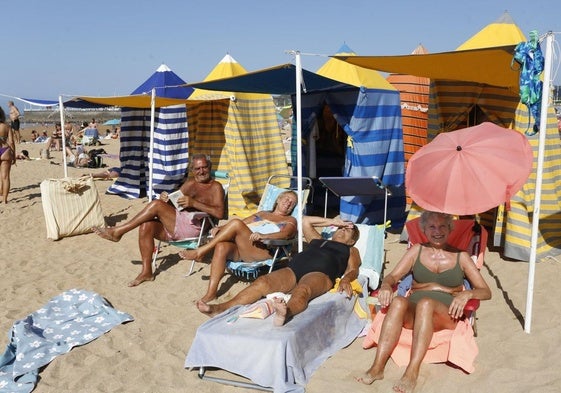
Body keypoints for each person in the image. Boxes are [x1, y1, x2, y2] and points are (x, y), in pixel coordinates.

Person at [355, 211, 491, 393]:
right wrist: (387, 285)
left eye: (443, 226)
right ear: (424, 230)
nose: (437, 231)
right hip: (414, 312)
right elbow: (393, 276)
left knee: (426, 303)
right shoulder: (416, 250)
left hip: (446, 315)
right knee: (397, 303)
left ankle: (412, 371)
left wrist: (467, 294)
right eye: (432, 227)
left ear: (450, 229)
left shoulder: (461, 257)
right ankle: (377, 367)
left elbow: (486, 291)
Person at [196, 215, 361, 327]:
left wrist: (346, 280)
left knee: (303, 291)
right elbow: (305, 221)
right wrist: (336, 221)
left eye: (347, 230)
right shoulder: (318, 240)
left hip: (320, 274)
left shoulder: (351, 250)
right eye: (341, 228)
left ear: (352, 240)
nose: (342, 230)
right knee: (262, 282)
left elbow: (353, 269)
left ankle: (285, 313)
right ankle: (221, 308)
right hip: (293, 269)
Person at [93, 154, 225, 287]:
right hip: (178, 223)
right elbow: (175, 201)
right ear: (192, 170)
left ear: (210, 167)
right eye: (197, 168)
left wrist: (193, 203)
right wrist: (166, 198)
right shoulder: (191, 183)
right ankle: (147, 272)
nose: (201, 171)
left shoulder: (216, 187)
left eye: (204, 167)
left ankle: (118, 231)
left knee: (156, 205)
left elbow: (219, 213)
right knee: (146, 225)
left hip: (194, 227)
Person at [180, 190, 299, 303]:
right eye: (287, 198)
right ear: (278, 199)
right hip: (245, 247)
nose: (288, 203)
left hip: (263, 250)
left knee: (236, 223)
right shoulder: (262, 214)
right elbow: (244, 222)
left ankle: (201, 251)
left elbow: (286, 234)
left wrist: (264, 236)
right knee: (222, 246)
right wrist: (220, 228)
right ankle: (211, 293)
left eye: (292, 203)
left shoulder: (290, 220)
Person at [0, 106, 16, 203]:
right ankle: (5, 199)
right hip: (5, 150)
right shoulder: (6, 126)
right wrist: (14, 154)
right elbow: (11, 142)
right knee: (5, 177)